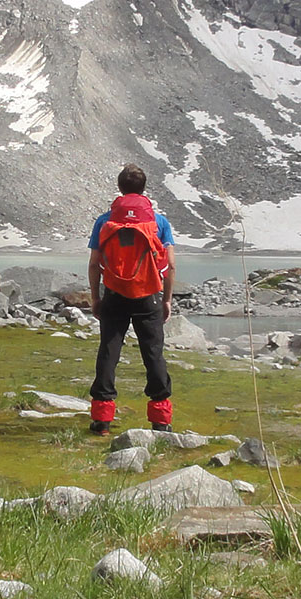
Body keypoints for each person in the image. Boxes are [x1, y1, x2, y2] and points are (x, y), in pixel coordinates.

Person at [86, 163, 176, 434]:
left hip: (114, 295)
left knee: (109, 353)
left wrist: (95, 297)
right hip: (148, 297)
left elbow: (93, 263)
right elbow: (170, 264)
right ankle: (161, 421)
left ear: (120, 188)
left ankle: (102, 419)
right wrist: (167, 300)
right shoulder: (158, 222)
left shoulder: (105, 221)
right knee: (153, 354)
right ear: (143, 189)